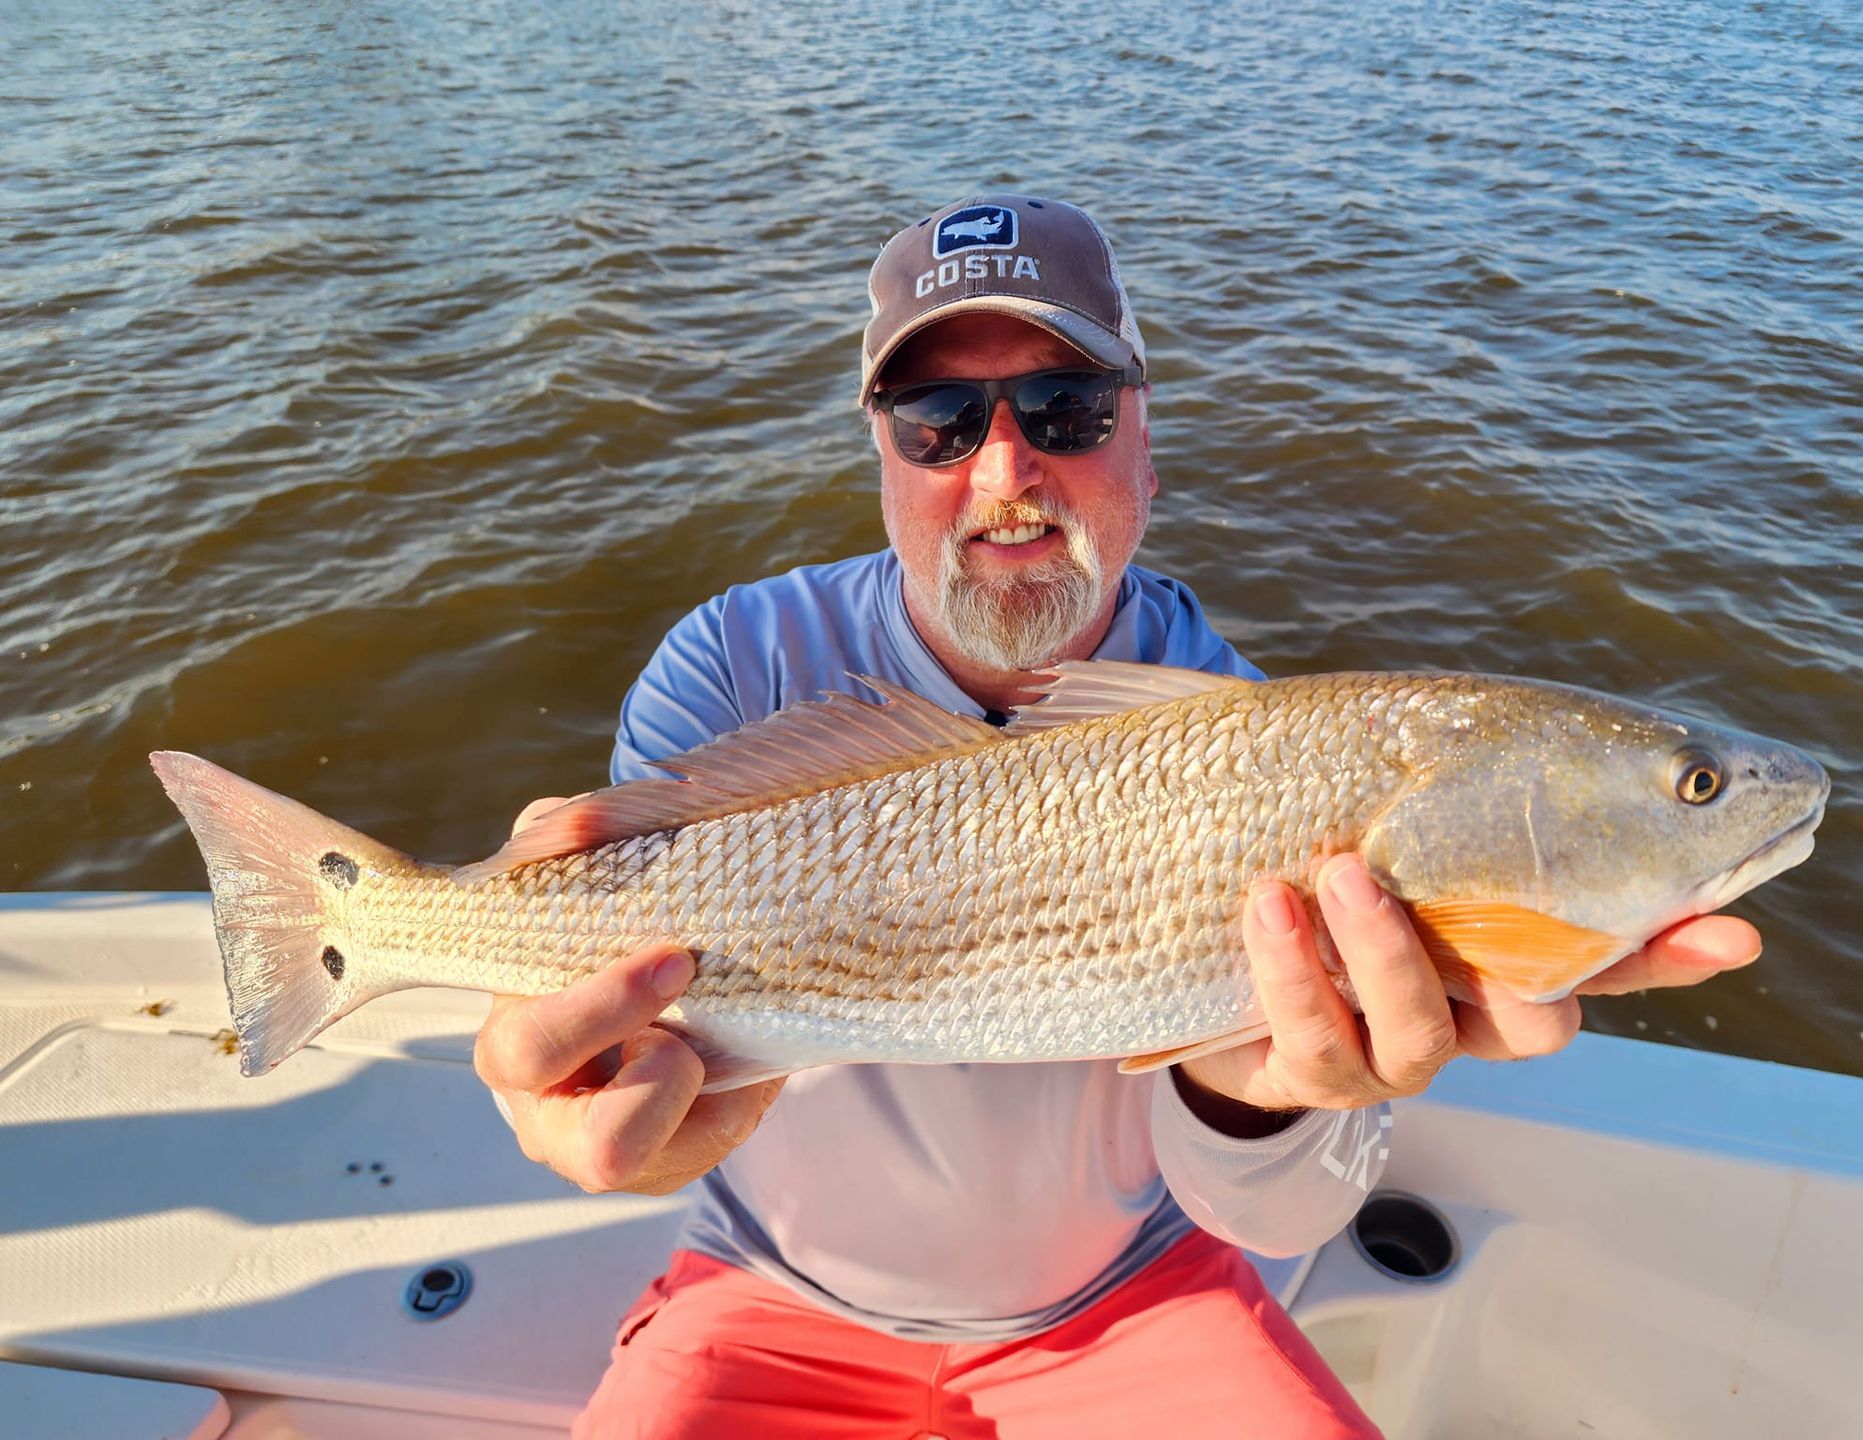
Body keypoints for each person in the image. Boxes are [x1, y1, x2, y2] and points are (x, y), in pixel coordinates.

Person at [473, 194, 1763, 1439]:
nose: (1005, 466)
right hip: (763, 1291)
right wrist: (596, 1103)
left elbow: (1273, 1217)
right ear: (879, 448)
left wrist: (1267, 1101)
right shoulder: (727, 668)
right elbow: (614, 1018)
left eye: (1066, 405)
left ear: (1144, 434)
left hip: (1129, 1300)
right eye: (937, 418)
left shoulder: (1259, 733)